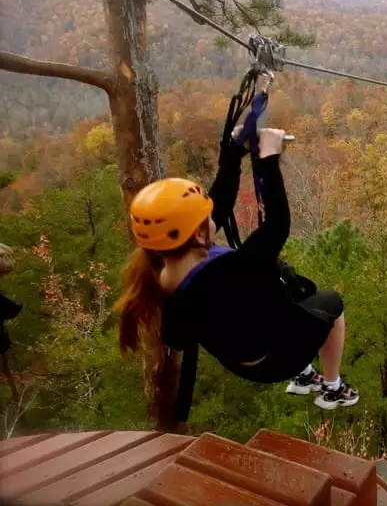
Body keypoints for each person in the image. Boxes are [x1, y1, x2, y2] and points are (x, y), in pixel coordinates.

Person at [113, 125, 358, 432]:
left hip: (241, 356)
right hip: (278, 359)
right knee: (331, 304)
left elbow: (220, 201)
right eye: (207, 221)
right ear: (200, 234)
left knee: (289, 297)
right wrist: (268, 158)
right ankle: (331, 386)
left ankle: (306, 376)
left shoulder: (160, 274)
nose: (213, 219)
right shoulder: (235, 271)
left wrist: (234, 152)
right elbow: (277, 223)